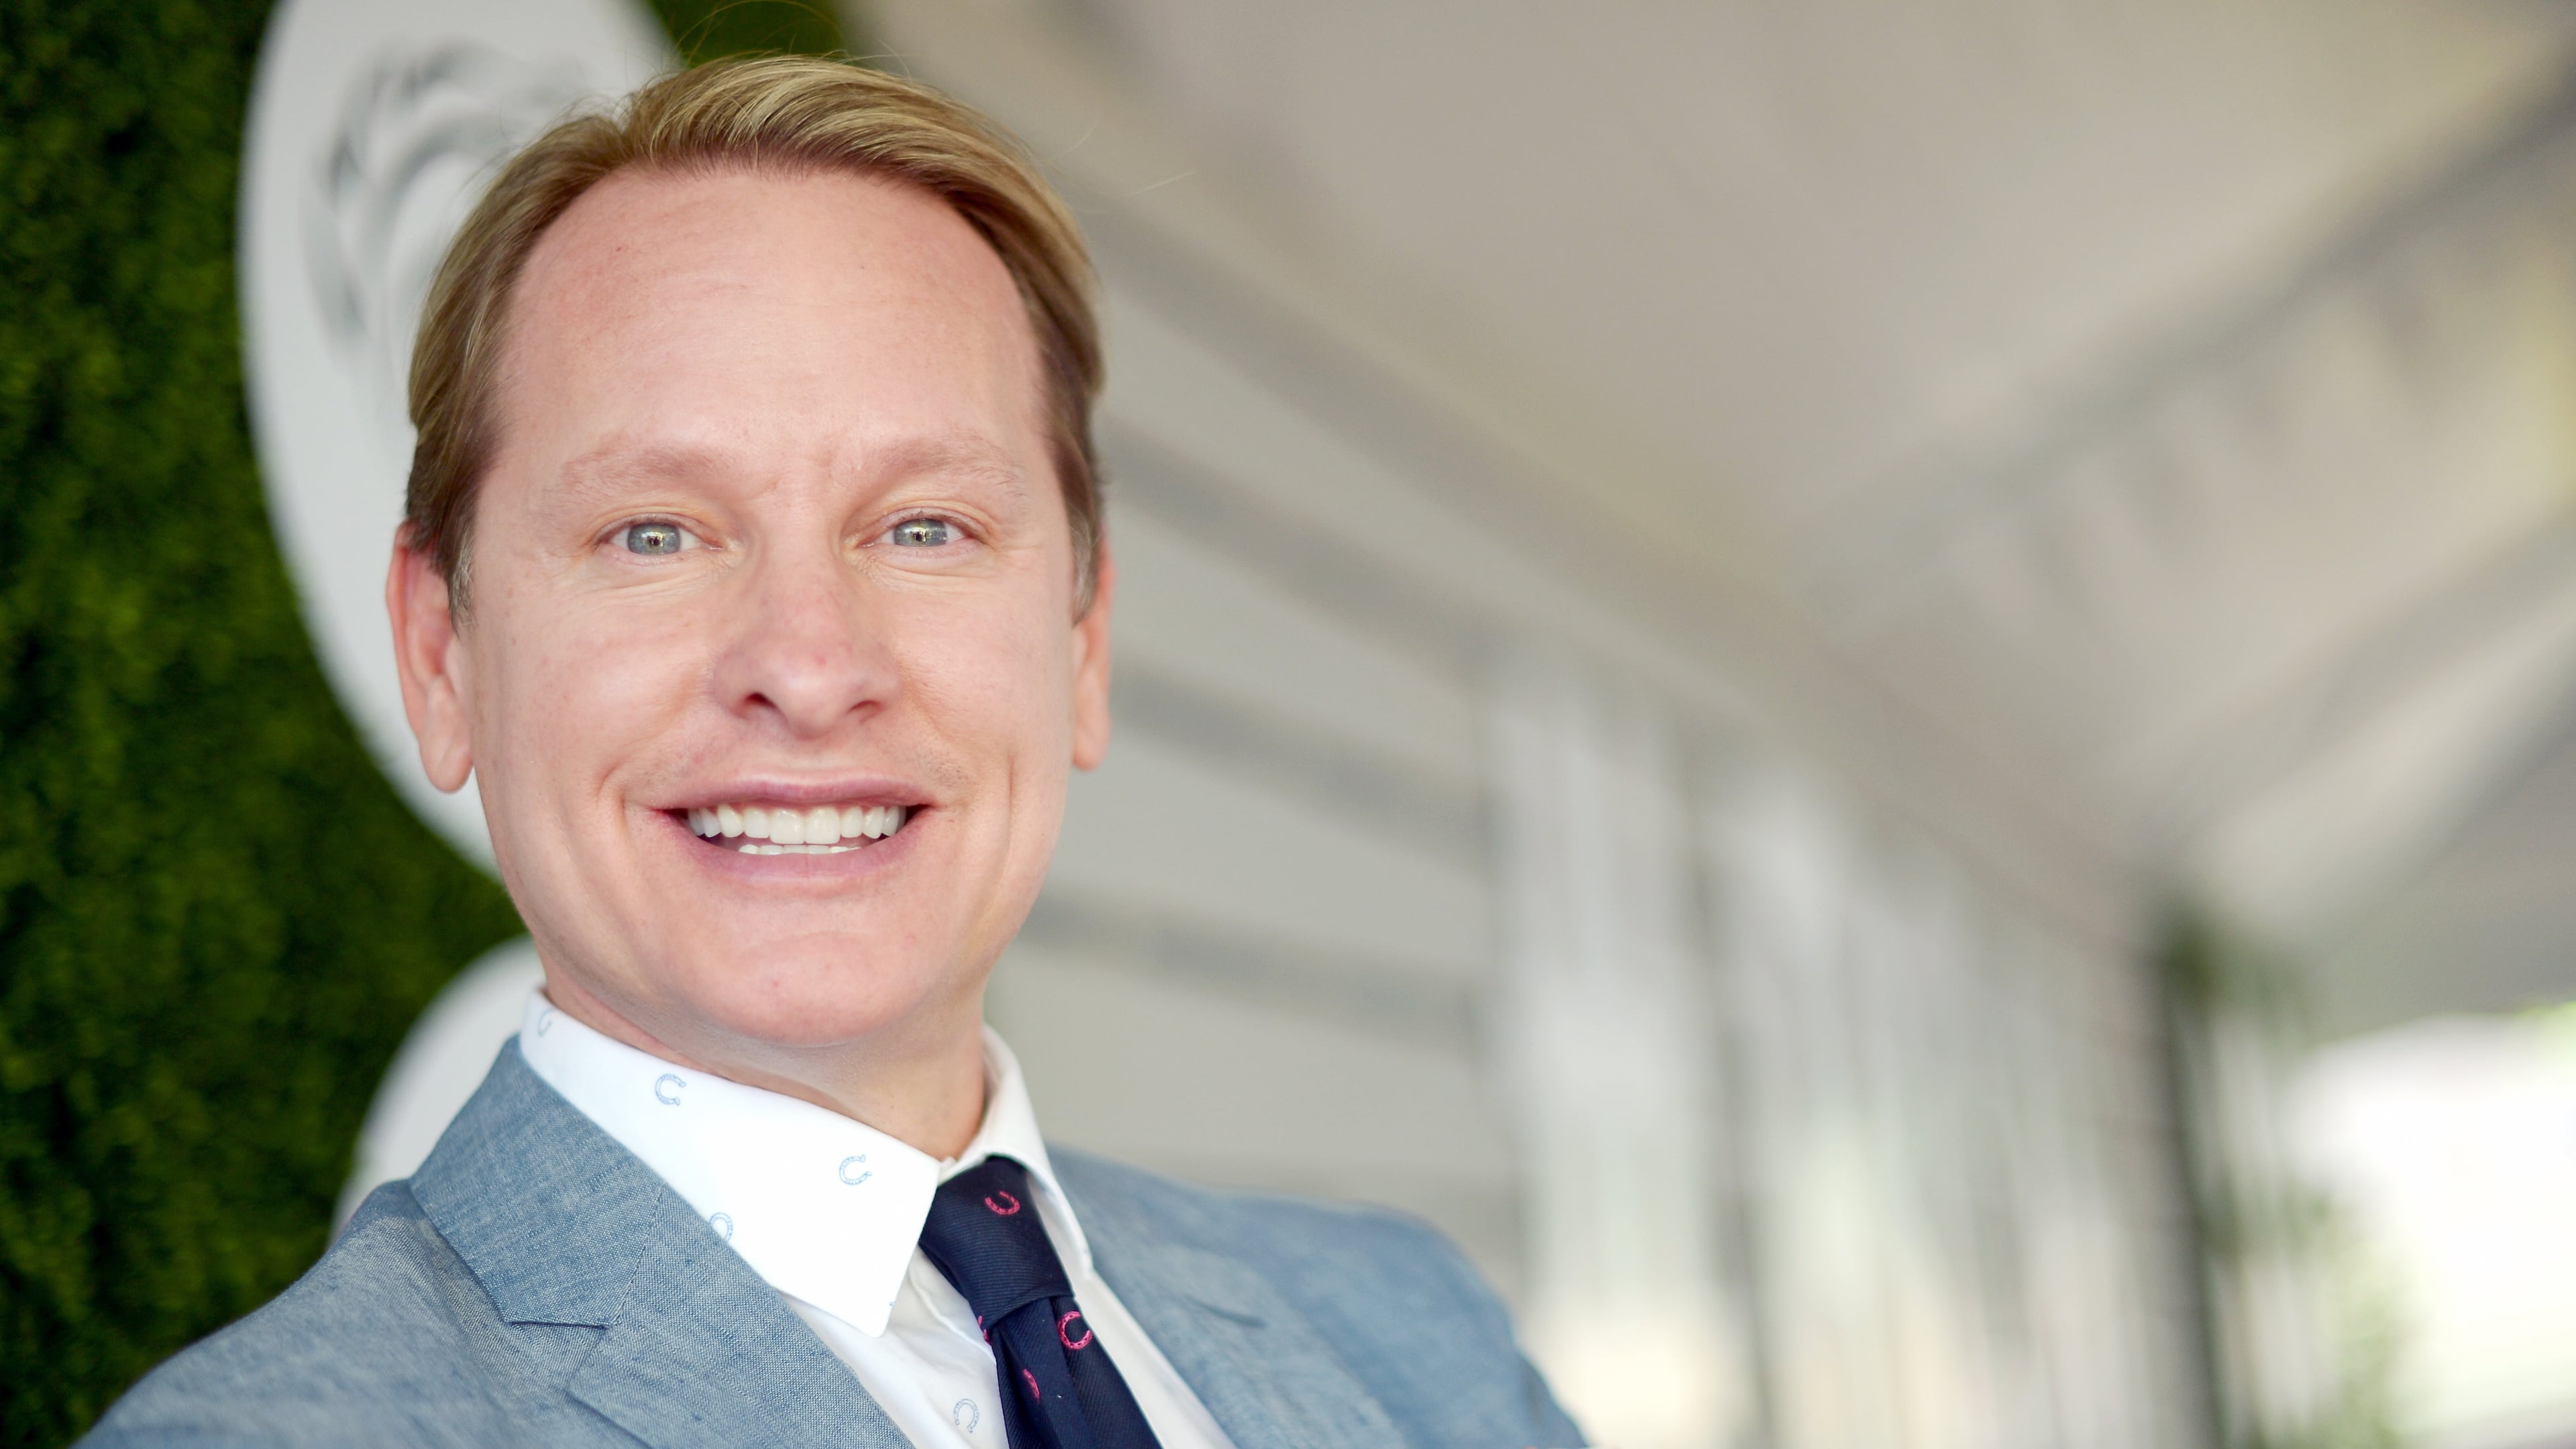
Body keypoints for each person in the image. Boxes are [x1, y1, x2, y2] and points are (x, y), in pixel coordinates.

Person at [86, 56, 1582, 1449]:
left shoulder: (1416, 1340)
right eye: (655, 532)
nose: (808, 667)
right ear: (442, 655)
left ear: (1080, 640)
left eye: (924, 527)